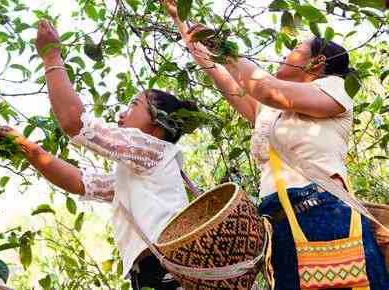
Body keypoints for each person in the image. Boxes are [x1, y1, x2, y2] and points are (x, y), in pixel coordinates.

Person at [163, 1, 389, 289]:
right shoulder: (268, 113)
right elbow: (218, 72)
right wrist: (181, 19)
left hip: (324, 210)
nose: (283, 55)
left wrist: (223, 47)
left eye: (293, 50)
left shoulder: (336, 88)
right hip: (278, 223)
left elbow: (266, 88)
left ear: (315, 63)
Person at [0, 20, 199, 290]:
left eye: (133, 105)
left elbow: (76, 124)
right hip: (152, 272)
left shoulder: (153, 149)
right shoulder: (142, 173)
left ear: (158, 127)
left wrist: (51, 55)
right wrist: (26, 147)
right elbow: (82, 181)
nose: (121, 114)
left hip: (167, 269)